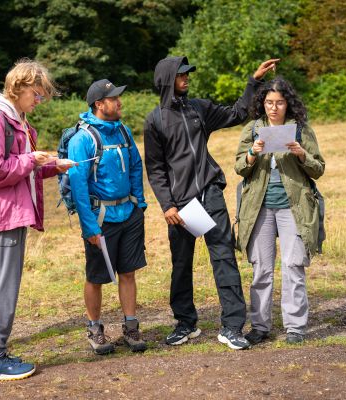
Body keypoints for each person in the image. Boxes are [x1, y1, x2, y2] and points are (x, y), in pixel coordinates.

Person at [143, 56, 277, 349]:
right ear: (168, 79)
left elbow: (238, 113)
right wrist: (167, 205)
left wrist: (254, 82)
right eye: (181, 74)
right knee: (181, 264)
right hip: (180, 205)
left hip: (210, 193)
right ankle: (185, 323)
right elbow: (154, 168)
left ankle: (231, 327)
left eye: (188, 73)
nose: (187, 78)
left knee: (224, 258)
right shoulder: (155, 120)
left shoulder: (199, 108)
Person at [0, 58, 74, 382]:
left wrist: (52, 166)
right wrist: (31, 158)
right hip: (4, 216)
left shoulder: (18, 120)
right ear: (19, 87)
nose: (39, 100)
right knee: (2, 290)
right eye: (37, 93)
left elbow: (22, 170)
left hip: (10, 214)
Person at [234, 77, 325, 345]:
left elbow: (318, 169)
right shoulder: (253, 129)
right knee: (261, 268)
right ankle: (260, 326)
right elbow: (239, 167)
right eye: (269, 102)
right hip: (259, 208)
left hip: (293, 208)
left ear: (288, 104)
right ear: (262, 104)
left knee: (293, 265)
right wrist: (252, 152)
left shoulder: (301, 130)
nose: (274, 108)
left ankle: (295, 327)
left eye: (279, 103)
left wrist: (301, 154)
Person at [68, 79, 148, 355]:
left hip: (129, 213)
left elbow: (136, 166)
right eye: (114, 98)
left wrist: (139, 203)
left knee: (128, 272)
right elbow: (78, 186)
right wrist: (89, 226)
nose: (119, 101)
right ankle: (94, 329)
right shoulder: (82, 140)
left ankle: (131, 327)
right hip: (101, 220)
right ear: (99, 104)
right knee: (97, 276)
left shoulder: (123, 131)